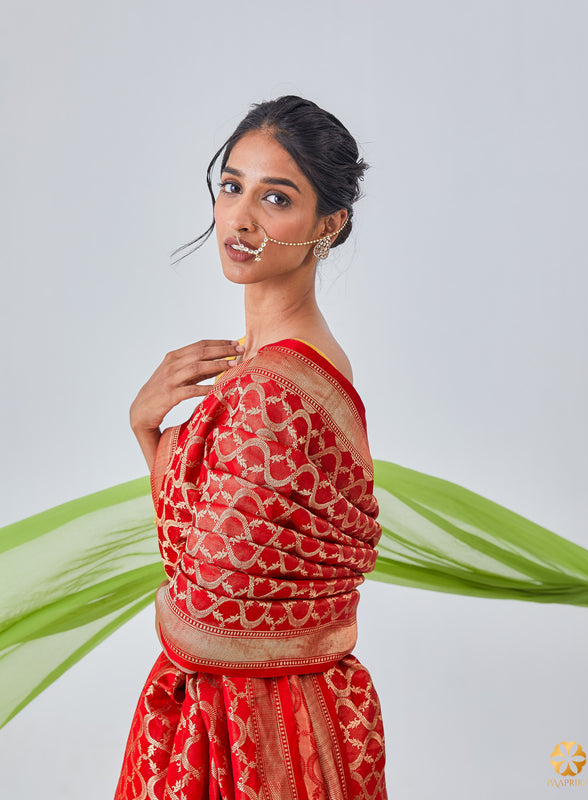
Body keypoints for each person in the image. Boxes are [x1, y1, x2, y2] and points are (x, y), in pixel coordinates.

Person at [116, 96, 387, 800]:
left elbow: (207, 615)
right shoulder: (291, 365)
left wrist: (150, 429)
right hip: (300, 710)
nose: (240, 218)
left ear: (331, 224)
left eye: (276, 197)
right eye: (231, 186)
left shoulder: (272, 390)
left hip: (252, 732)